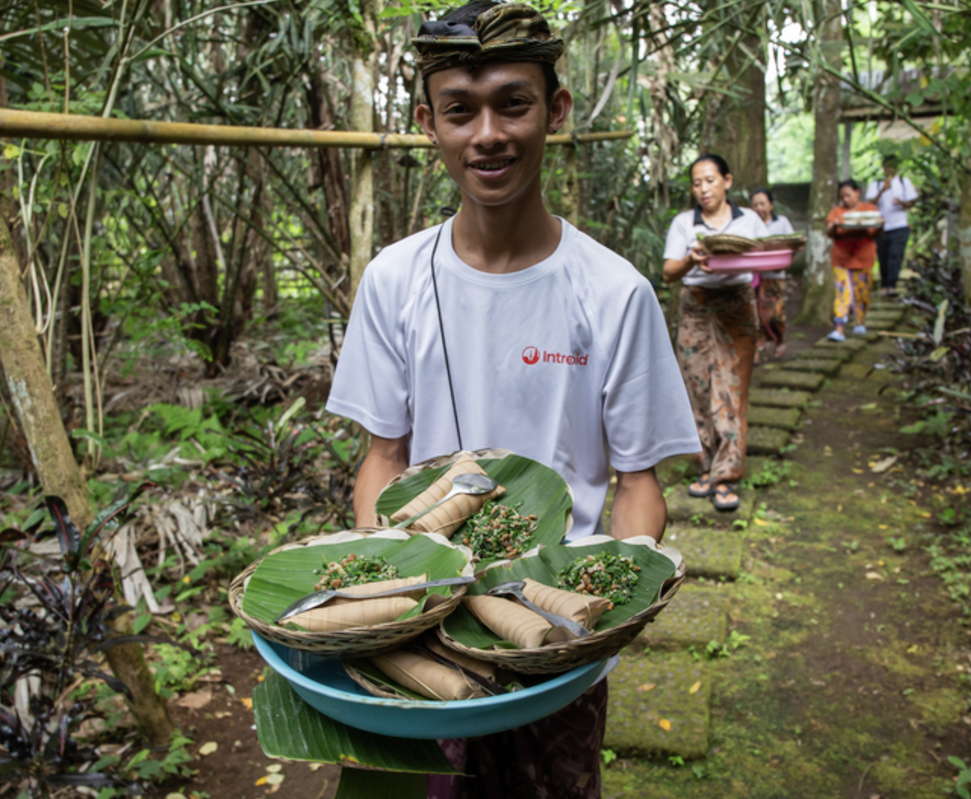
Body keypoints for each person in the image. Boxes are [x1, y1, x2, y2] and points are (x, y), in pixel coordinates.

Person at [325, 3, 700, 797]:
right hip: (423, 626)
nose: (487, 132)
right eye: (461, 109)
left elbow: (637, 484)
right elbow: (383, 459)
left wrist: (608, 615)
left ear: (554, 110)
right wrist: (384, 601)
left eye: (513, 103)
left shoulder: (614, 292)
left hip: (553, 636)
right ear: (429, 123)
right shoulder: (394, 280)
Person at [663, 155, 768, 512]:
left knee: (731, 389)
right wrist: (692, 259)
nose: (703, 189)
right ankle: (704, 466)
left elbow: (770, 258)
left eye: (709, 180)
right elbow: (668, 273)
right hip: (695, 306)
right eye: (696, 183)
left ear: (727, 181)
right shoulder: (683, 223)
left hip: (737, 307)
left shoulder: (749, 220)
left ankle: (726, 476)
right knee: (697, 388)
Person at [825, 178, 882, 341]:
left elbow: (877, 232)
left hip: (864, 258)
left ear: (857, 192)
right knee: (843, 292)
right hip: (841, 258)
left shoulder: (869, 209)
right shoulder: (837, 212)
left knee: (862, 292)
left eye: (849, 195)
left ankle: (859, 322)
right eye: (842, 197)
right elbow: (830, 231)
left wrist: (880, 225)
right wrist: (836, 225)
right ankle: (839, 328)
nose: (846, 200)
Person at [749, 187, 796, 363]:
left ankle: (779, 338)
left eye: (762, 203)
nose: (759, 208)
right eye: (755, 205)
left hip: (775, 276)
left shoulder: (781, 222)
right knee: (754, 315)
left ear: (770, 205)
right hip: (754, 277)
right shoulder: (748, 223)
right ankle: (756, 351)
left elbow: (793, 244)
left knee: (774, 314)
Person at [864, 155, 918, 295]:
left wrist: (902, 203)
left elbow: (911, 203)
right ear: (883, 168)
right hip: (881, 227)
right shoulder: (876, 184)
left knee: (896, 255)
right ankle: (884, 285)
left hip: (900, 226)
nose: (890, 169)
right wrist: (882, 191)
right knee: (882, 256)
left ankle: (892, 285)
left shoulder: (904, 182)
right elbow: (869, 204)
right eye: (888, 166)